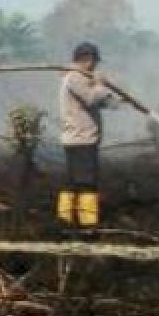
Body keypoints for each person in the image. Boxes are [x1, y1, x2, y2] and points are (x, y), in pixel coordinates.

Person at [58, 42, 119, 227]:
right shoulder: (75, 78)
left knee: (74, 181)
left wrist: (115, 100)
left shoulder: (79, 79)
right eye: (94, 62)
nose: (95, 66)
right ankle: (87, 225)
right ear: (86, 60)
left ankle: (67, 221)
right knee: (86, 182)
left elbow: (98, 101)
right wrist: (100, 84)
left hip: (78, 139)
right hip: (81, 139)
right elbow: (91, 98)